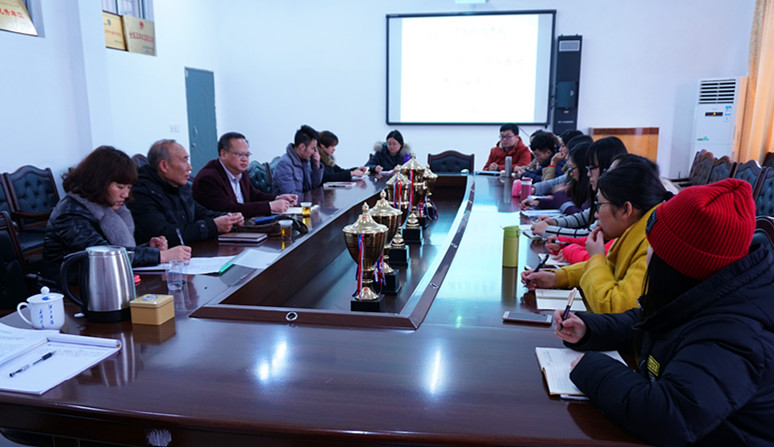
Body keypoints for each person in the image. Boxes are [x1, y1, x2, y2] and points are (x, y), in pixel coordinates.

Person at [554, 178, 774, 446]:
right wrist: (589, 329)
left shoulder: (736, 334)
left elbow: (669, 416)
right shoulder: (707, 291)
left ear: (679, 264)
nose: (648, 253)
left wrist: (590, 368)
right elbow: (652, 321)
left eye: (654, 246)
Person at [522, 155, 671, 313]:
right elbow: (610, 268)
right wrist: (557, 278)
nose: (596, 214)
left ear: (626, 210)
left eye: (599, 205)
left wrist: (596, 258)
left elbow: (615, 307)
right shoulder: (635, 228)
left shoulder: (652, 243)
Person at [43, 146, 191, 281]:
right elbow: (104, 255)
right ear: (98, 182)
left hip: (101, 282)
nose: (125, 194)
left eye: (129, 187)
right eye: (120, 187)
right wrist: (161, 256)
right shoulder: (70, 214)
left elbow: (117, 249)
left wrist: (149, 248)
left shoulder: (110, 208)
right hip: (69, 290)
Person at [128, 139, 244, 245]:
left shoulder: (180, 187)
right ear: (164, 166)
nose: (190, 167)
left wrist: (228, 217)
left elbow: (200, 213)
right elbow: (163, 234)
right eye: (184, 161)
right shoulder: (141, 192)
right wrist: (213, 226)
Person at [192, 132, 297, 217]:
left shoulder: (240, 171)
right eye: (240, 154)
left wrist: (277, 198)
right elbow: (229, 210)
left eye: (247, 155)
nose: (245, 159)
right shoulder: (208, 178)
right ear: (223, 154)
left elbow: (253, 195)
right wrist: (269, 206)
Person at [272, 124, 324, 195]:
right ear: (302, 147)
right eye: (313, 148)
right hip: (293, 202)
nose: (315, 152)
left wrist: (317, 165)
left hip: (305, 200)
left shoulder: (305, 160)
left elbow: (313, 186)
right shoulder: (285, 164)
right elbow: (291, 195)